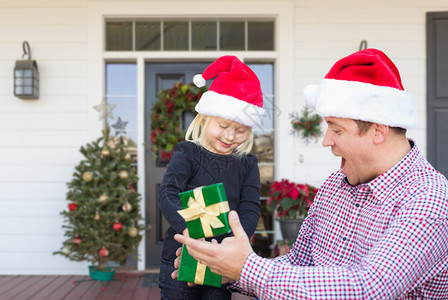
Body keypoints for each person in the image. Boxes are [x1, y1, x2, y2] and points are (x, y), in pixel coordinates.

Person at [172, 49, 448, 299]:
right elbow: (299, 264)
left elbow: (368, 287)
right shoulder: (334, 188)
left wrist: (246, 268)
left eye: (336, 129)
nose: (326, 140)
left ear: (378, 130)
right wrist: (222, 267)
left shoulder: (428, 200)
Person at [158, 55, 265, 300]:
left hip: (222, 261)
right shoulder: (189, 153)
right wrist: (188, 229)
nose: (230, 136)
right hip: (181, 257)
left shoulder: (247, 163)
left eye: (240, 130)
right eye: (222, 125)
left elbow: (250, 207)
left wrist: (237, 241)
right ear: (205, 118)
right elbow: (168, 192)